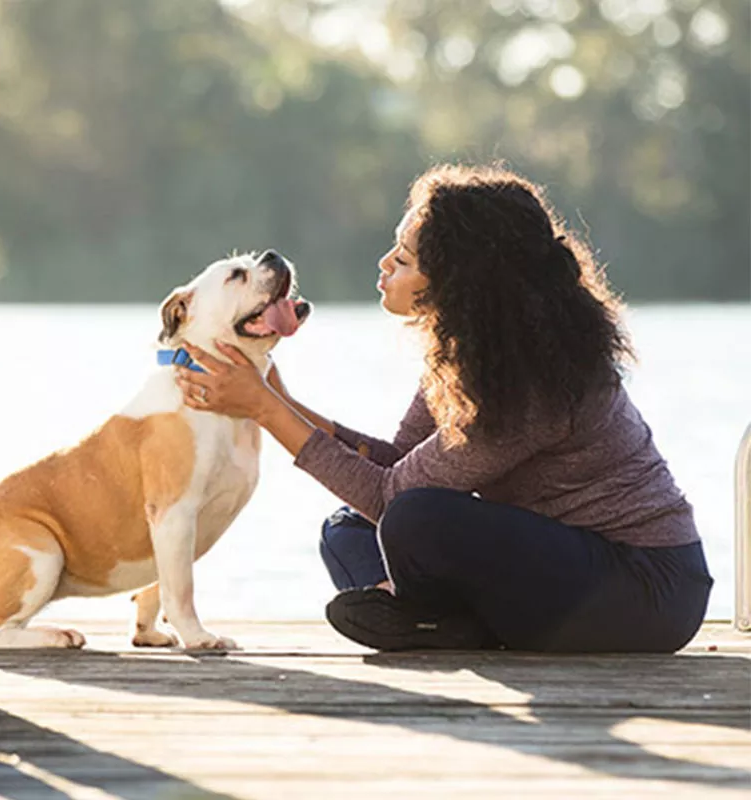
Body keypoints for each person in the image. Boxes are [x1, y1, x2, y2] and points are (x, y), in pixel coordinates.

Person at [175, 162, 713, 653]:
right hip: (558, 573)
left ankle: (438, 621)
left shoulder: (532, 379)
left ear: (460, 282)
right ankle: (449, 625)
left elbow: (394, 498)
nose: (385, 264)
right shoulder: (475, 350)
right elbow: (398, 464)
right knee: (348, 529)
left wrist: (268, 411)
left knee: (413, 518)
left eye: (404, 259)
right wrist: (285, 403)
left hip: (646, 590)